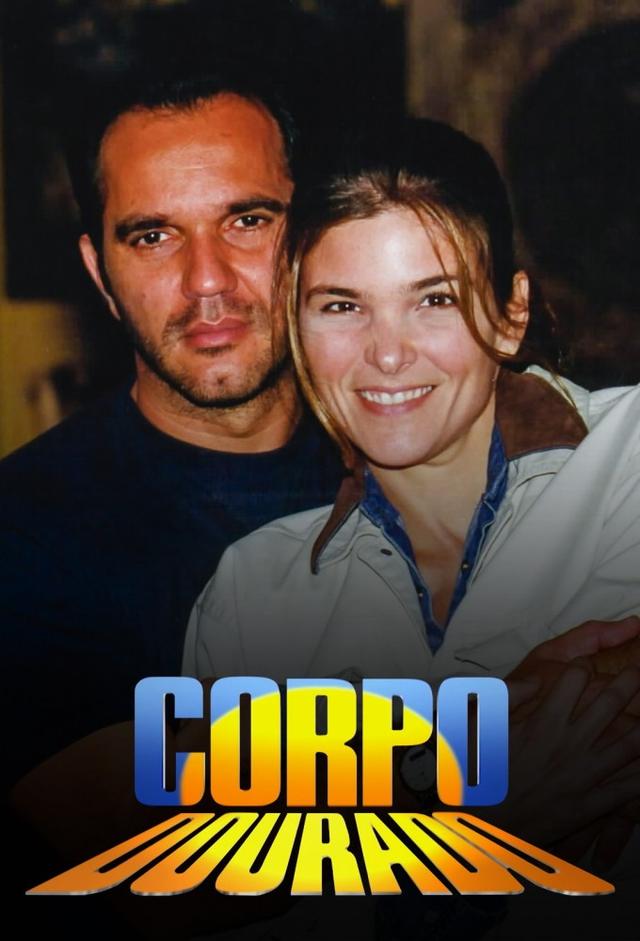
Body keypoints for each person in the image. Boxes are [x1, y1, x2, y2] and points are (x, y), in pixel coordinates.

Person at [184, 118, 640, 851]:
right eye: (342, 306)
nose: (388, 354)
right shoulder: (251, 599)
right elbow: (238, 881)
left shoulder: (628, 459)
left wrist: (369, 794)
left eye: (434, 300)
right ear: (297, 328)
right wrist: (467, 791)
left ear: (511, 312)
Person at [0, 68, 345, 788]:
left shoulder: (416, 467)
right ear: (100, 272)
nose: (207, 279)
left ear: (313, 233)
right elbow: (118, 845)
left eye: (247, 221)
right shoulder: (25, 533)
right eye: (153, 236)